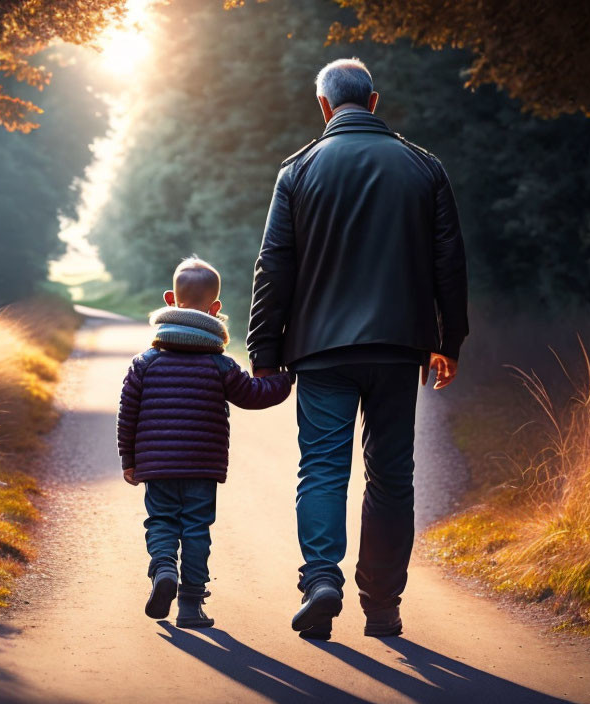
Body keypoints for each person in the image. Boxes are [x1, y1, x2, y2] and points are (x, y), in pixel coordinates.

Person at [247, 58, 468, 640]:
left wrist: (264, 351)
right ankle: (383, 605)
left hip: (320, 350)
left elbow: (274, 266)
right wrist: (449, 342)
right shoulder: (425, 168)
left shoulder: (297, 171)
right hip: (399, 347)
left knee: (321, 468)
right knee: (391, 476)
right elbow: (449, 260)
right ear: (373, 101)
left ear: (324, 107)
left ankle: (321, 580)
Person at [118, 257, 293, 628]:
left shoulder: (144, 363)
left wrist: (129, 460)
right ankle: (190, 606)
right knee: (196, 527)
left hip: (158, 466)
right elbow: (253, 395)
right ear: (215, 309)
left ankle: (164, 568)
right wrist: (286, 378)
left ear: (170, 300)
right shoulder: (220, 365)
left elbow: (127, 414)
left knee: (162, 521)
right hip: (201, 464)